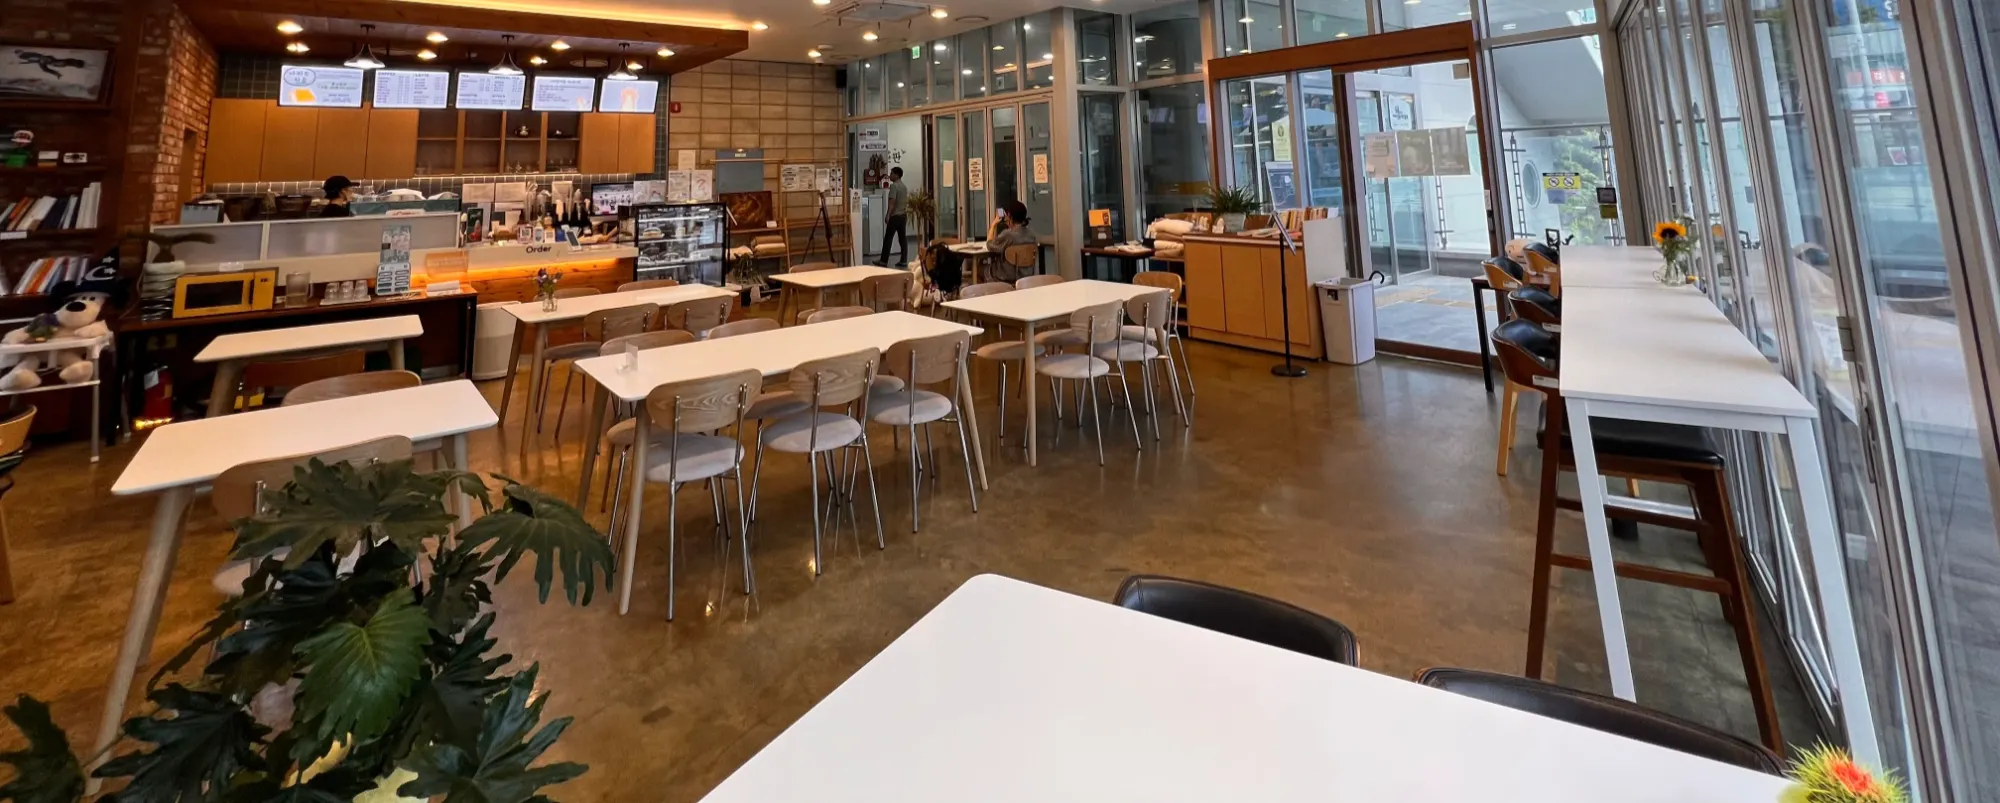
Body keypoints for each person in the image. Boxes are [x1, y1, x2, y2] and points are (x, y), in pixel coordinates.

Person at [984, 200, 1038, 282]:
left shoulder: (1008, 234)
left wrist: (993, 225)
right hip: (1025, 275)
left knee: (981, 268)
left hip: (1006, 275)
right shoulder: (1031, 235)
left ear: (1009, 215)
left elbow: (989, 245)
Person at [875, 167, 908, 267]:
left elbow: (892, 201)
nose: (890, 175)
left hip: (895, 216)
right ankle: (904, 260)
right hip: (903, 216)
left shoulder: (894, 186)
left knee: (888, 238)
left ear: (897, 175)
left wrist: (888, 214)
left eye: (892, 173)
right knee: (902, 239)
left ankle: (883, 260)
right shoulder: (904, 186)